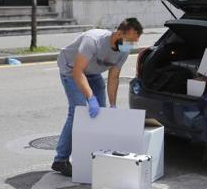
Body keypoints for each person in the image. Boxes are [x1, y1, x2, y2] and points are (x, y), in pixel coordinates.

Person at [51, 18, 143, 177]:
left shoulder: (124, 49)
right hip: (71, 69)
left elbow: (114, 77)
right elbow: (78, 72)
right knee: (78, 111)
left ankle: (97, 156)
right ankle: (60, 160)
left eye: (134, 42)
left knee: (102, 113)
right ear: (119, 33)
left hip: (93, 73)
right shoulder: (93, 40)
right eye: (130, 40)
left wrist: (112, 105)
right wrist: (90, 98)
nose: (131, 45)